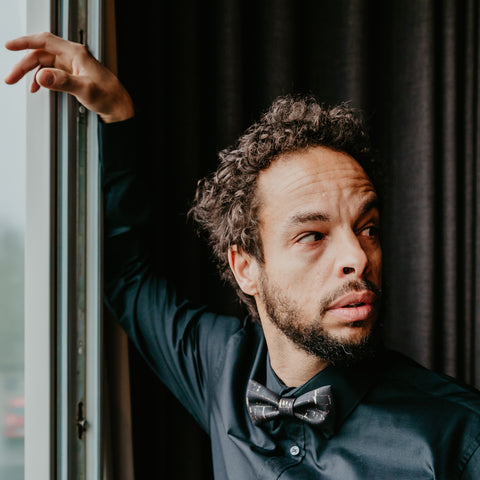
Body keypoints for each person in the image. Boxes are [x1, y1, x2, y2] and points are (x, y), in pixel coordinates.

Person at [6, 32, 480, 479]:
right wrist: (116, 115)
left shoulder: (462, 437)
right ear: (246, 267)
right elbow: (126, 277)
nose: (358, 257)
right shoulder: (221, 367)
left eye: (367, 227)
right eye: (313, 236)